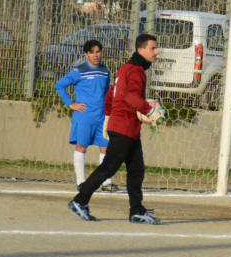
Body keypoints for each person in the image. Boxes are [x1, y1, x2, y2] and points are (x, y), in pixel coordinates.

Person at [68, 33, 162, 225]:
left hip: (125, 126)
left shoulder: (126, 68)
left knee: (136, 170)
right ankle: (80, 200)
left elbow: (112, 93)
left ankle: (137, 210)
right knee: (109, 167)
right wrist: (149, 111)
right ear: (141, 50)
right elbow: (130, 97)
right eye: (152, 48)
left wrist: (108, 117)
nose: (156, 52)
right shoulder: (136, 70)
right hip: (124, 127)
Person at [55, 39, 115, 191]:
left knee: (106, 148)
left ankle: (106, 182)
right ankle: (81, 182)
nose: (96, 55)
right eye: (92, 52)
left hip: (102, 116)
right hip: (84, 116)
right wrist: (70, 103)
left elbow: (107, 92)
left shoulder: (105, 71)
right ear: (86, 55)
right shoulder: (79, 71)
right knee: (81, 147)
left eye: (98, 52)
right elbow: (60, 85)